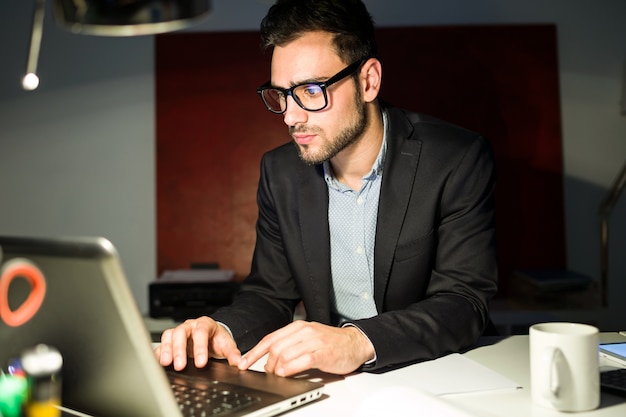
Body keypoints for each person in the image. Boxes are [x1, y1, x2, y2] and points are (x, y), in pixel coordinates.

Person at [155, 0, 498, 376]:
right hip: (336, 386)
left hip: (438, 375)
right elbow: (270, 295)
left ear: (367, 81)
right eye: (281, 94)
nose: (290, 116)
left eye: (311, 90)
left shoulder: (456, 158)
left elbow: (464, 302)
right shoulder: (279, 171)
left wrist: (356, 340)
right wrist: (220, 328)